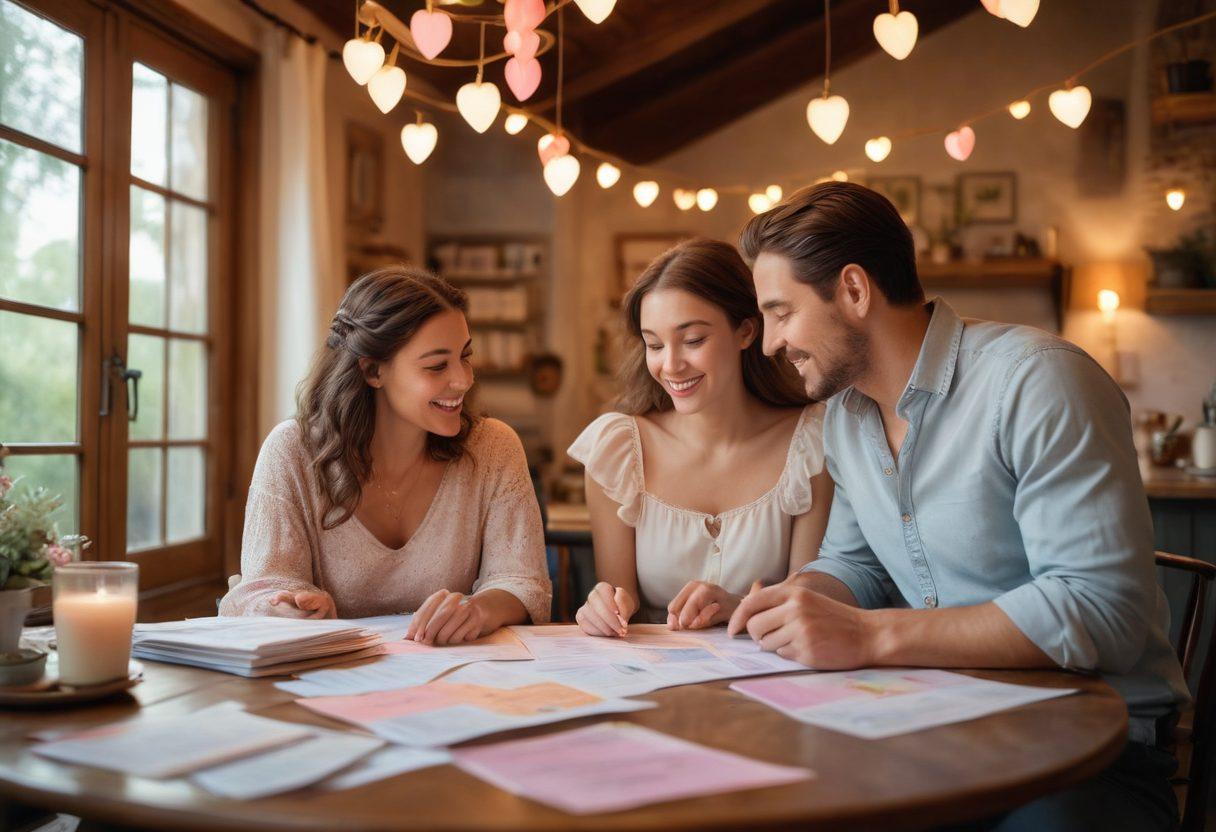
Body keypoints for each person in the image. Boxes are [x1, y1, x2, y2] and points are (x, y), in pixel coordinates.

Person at [730, 181, 1188, 830]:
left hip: (1090, 749)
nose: (771, 343)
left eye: (781, 312)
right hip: (934, 722)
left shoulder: (1037, 380)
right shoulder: (844, 417)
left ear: (855, 291)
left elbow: (1100, 608)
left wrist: (866, 634)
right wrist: (786, 603)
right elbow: (854, 567)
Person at [219, 266, 551, 644]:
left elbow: (524, 583)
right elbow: (266, 587)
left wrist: (480, 609)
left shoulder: (494, 448)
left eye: (465, 356)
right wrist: (293, 608)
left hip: (456, 684)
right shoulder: (292, 452)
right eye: (437, 365)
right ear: (373, 370)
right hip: (326, 684)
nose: (463, 379)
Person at [569, 238, 833, 636]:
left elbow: (809, 605)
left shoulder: (810, 443)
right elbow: (621, 597)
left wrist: (737, 607)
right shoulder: (619, 449)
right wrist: (603, 606)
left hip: (772, 675)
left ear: (746, 330)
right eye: (654, 344)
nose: (671, 365)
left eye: (693, 340)